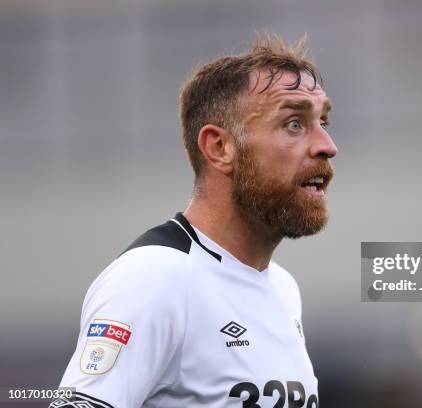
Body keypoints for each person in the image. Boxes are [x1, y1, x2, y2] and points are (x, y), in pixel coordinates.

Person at [50, 34, 337, 408]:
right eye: (295, 124)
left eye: (323, 121)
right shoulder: (155, 277)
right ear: (220, 148)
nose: (327, 145)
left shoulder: (283, 288)